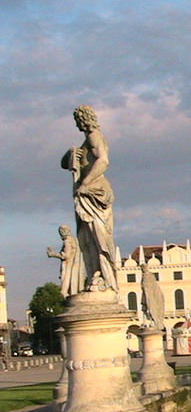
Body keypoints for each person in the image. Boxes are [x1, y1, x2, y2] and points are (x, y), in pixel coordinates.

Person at [61, 105, 117, 291]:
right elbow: (63, 164)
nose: (78, 124)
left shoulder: (94, 136)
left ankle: (102, 275)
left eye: (79, 120)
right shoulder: (85, 142)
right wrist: (70, 154)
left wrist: (85, 183)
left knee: (98, 238)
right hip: (85, 195)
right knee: (87, 239)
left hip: (94, 193)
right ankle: (94, 273)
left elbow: (103, 161)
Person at [47, 225, 82, 298]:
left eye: (61, 232)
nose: (61, 234)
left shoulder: (67, 241)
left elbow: (66, 256)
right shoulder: (75, 240)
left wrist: (52, 254)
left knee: (64, 288)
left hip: (68, 267)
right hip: (74, 267)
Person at [140, 263, 165, 331]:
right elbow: (144, 287)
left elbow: (151, 287)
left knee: (153, 308)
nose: (144, 270)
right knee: (148, 308)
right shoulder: (144, 276)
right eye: (143, 269)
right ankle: (151, 321)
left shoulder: (150, 276)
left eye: (144, 268)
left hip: (152, 296)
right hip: (147, 295)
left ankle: (154, 321)